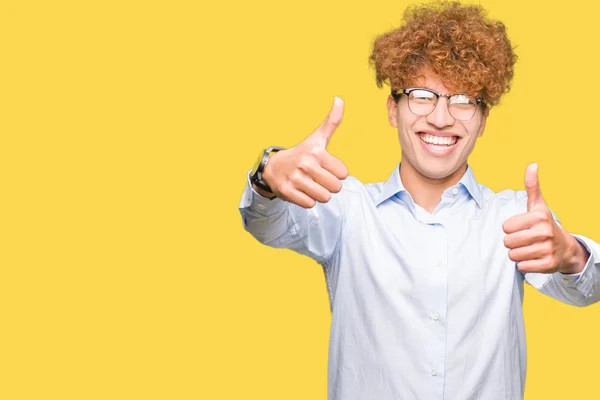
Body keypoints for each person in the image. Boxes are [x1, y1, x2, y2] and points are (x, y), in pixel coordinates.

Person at [238, 1, 600, 399]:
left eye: (462, 99)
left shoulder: (515, 217)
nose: (442, 118)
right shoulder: (345, 209)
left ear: (483, 121)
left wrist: (572, 255)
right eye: (422, 95)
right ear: (393, 109)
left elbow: (588, 288)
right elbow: (265, 223)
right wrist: (268, 173)